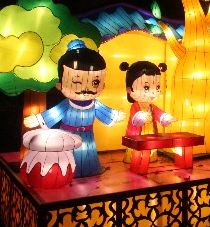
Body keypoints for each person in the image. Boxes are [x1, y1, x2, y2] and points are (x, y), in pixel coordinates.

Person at [23, 39, 126, 178]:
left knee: (88, 157)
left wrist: (116, 115)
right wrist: (37, 119)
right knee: (69, 159)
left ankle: (90, 172)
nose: (85, 89)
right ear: (60, 85)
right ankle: (68, 174)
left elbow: (106, 113)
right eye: (76, 81)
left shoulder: (94, 104)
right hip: (67, 136)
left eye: (95, 82)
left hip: (88, 137)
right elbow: (53, 113)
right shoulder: (67, 104)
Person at [120, 60, 176, 174]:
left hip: (150, 133)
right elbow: (135, 119)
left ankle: (151, 157)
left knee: (151, 147)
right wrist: (142, 116)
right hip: (137, 134)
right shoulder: (135, 106)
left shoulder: (151, 106)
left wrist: (166, 117)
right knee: (137, 150)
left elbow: (159, 114)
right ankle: (135, 161)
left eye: (157, 87)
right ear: (129, 89)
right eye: (146, 87)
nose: (153, 93)